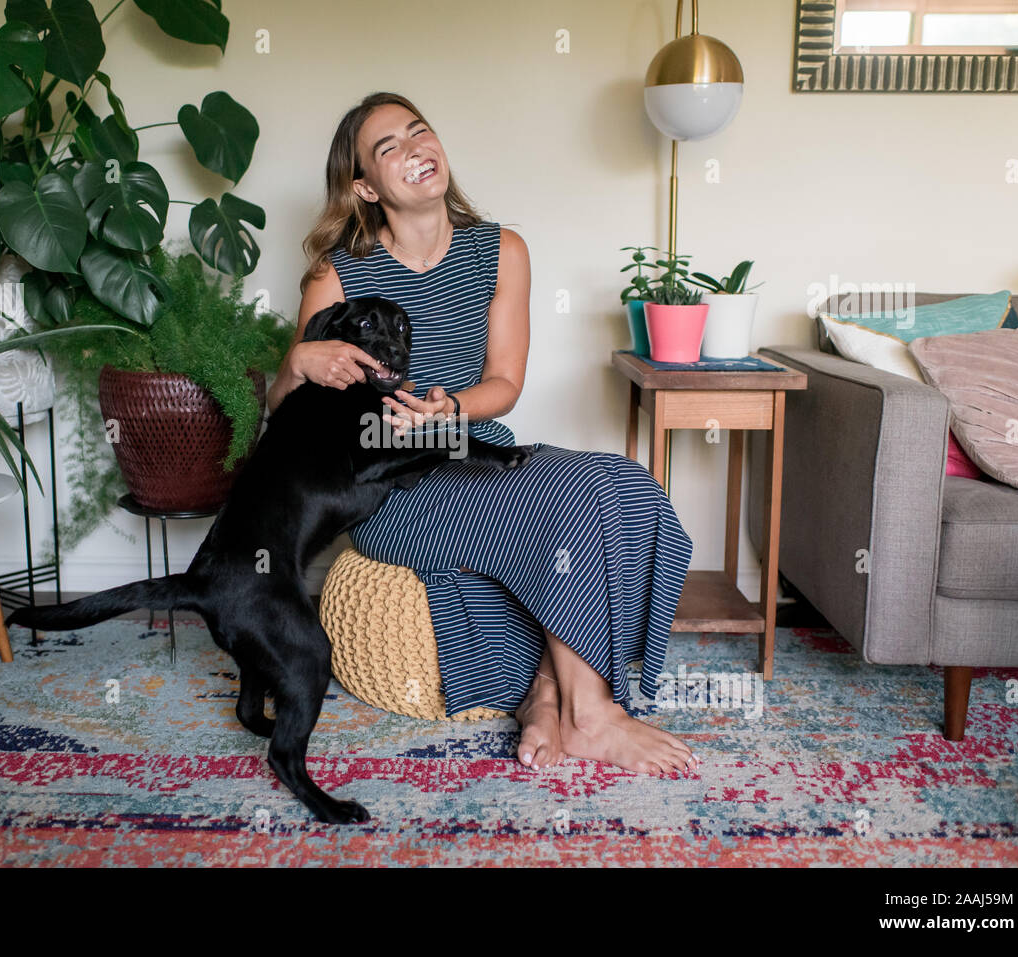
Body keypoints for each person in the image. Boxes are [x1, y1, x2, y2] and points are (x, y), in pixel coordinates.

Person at [267, 92, 699, 778]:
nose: (413, 149)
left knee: (619, 479)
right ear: (364, 187)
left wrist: (453, 408)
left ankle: (546, 694)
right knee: (566, 498)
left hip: (477, 447)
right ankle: (591, 714)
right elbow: (283, 413)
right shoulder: (336, 273)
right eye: (388, 148)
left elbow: (504, 381)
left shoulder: (500, 251)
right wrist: (297, 361)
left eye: (419, 131)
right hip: (389, 485)